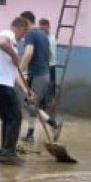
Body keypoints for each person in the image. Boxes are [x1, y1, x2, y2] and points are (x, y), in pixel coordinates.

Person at [0, 16, 34, 165]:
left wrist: (27, 91)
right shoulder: (8, 34)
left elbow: (15, 75)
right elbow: (1, 42)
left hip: (0, 82)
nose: (23, 37)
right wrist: (14, 55)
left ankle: (4, 151)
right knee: (16, 117)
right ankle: (8, 153)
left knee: (8, 119)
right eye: (24, 33)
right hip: (1, 84)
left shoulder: (12, 42)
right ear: (20, 28)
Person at [19, 11, 59, 143]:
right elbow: (49, 55)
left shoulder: (30, 34)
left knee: (31, 104)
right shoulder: (43, 35)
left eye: (21, 23)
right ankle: (30, 134)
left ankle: (54, 124)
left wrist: (20, 69)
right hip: (44, 74)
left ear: (26, 21)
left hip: (38, 75)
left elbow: (28, 52)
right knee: (31, 104)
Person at [38, 18, 57, 108]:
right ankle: (42, 105)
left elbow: (50, 53)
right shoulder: (41, 37)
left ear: (48, 27)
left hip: (50, 65)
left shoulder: (52, 38)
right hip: (42, 65)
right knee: (42, 85)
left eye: (43, 28)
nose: (42, 30)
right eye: (40, 28)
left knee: (51, 85)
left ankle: (48, 104)